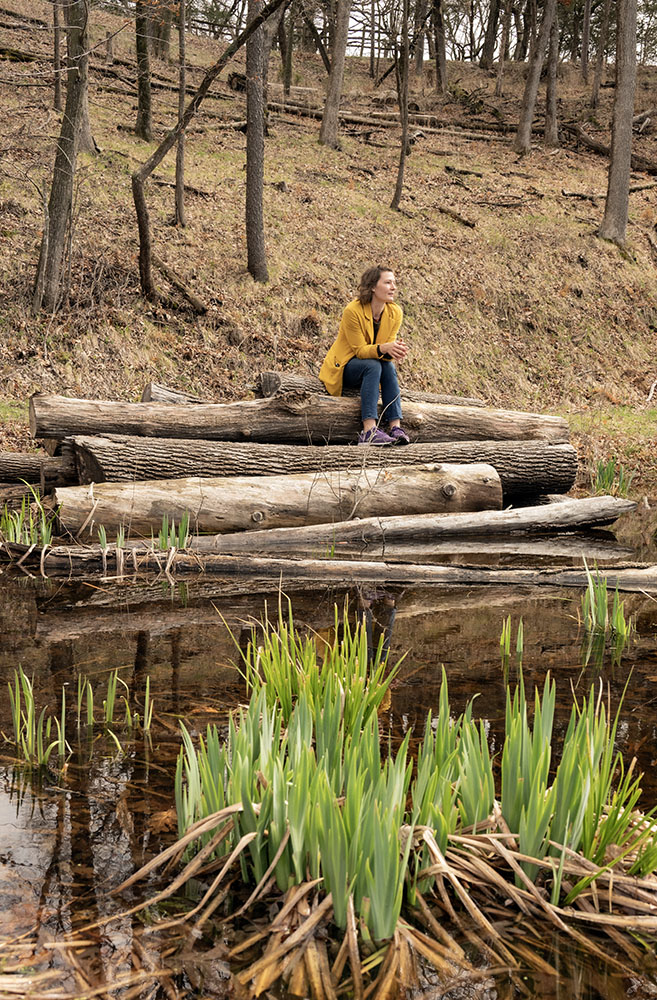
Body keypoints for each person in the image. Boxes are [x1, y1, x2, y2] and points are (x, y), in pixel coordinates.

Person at [319, 266, 410, 445]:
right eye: (388, 282)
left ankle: (395, 427)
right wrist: (385, 348)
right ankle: (369, 431)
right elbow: (360, 350)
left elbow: (384, 353)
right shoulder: (353, 311)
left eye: (394, 283)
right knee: (372, 365)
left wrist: (394, 350)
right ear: (373, 287)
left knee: (387, 366)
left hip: (373, 365)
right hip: (345, 366)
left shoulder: (395, 312)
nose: (393, 287)